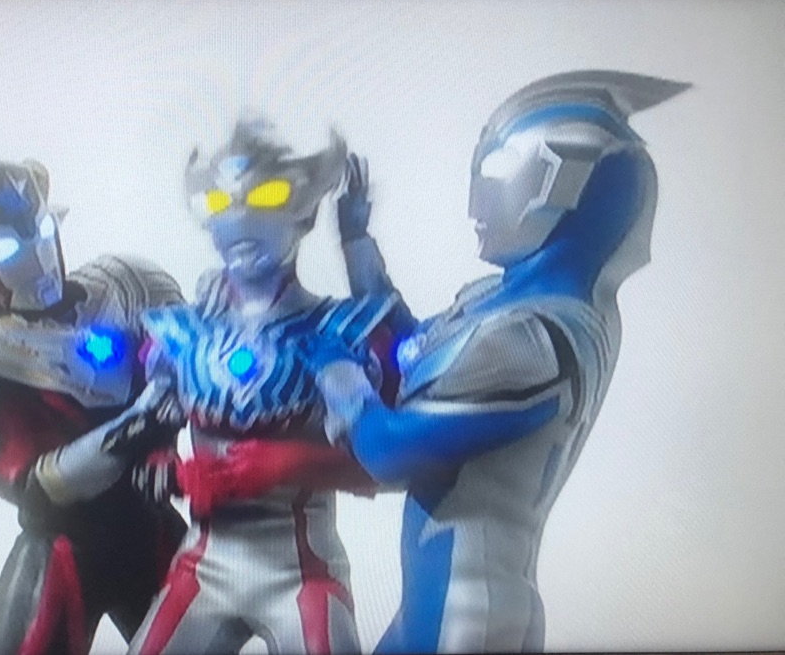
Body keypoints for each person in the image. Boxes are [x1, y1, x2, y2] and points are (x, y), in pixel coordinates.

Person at [320, 71, 691, 653]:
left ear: (559, 180)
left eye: (497, 172)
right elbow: (415, 347)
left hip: (468, 615)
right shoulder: (525, 308)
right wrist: (357, 244)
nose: (478, 202)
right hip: (447, 605)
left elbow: (389, 453)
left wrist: (343, 387)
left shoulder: (534, 337)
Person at [95, 120, 396, 654]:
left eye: (266, 196)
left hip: (301, 571)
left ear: (303, 213)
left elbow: (386, 459)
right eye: (222, 203)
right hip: (205, 567)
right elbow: (149, 420)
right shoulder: (182, 333)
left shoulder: (336, 332)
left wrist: (292, 463)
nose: (241, 218)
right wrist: (159, 456)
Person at [0, 160, 186, 655]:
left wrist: (163, 434)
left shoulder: (128, 285)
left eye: (43, 230)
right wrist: (143, 420)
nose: (36, 254)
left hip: (152, 529)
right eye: (2, 249)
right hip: (61, 547)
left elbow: (193, 371)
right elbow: (45, 486)